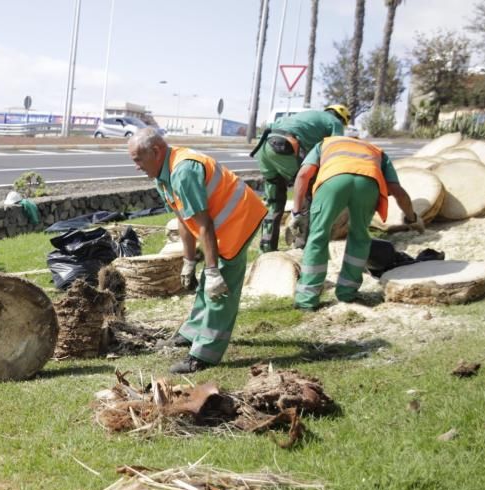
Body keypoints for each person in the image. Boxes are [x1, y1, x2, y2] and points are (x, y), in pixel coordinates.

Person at [128, 127, 267, 374]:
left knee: (220, 289)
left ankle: (204, 355)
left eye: (138, 159)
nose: (136, 166)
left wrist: (213, 271)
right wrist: (189, 261)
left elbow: (204, 225)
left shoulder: (183, 173)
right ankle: (192, 332)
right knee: (208, 281)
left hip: (238, 221)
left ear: (156, 151)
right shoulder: (164, 173)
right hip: (222, 222)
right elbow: (183, 219)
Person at [291, 135, 420, 310]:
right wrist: (412, 217)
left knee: (318, 236)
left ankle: (307, 299)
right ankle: (347, 293)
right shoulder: (376, 151)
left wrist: (297, 212)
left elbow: (303, 175)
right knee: (360, 237)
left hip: (333, 181)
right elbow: (397, 191)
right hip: (368, 184)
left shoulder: (326, 143)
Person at [251, 104, 350, 252]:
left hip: (264, 148)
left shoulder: (309, 118)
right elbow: (335, 152)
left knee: (274, 203)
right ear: (342, 119)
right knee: (307, 192)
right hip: (285, 146)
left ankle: (266, 250)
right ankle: (301, 246)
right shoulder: (334, 122)